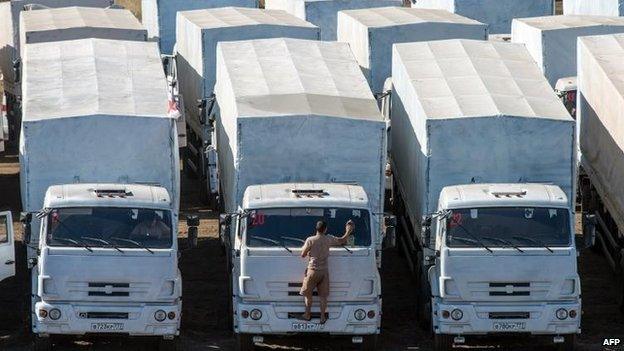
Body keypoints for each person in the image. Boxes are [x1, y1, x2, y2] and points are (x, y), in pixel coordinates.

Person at [299, 219, 355, 323]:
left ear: (316, 228)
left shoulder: (310, 240)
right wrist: (348, 231)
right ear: (325, 229)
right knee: (323, 297)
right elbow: (342, 240)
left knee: (308, 294)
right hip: (324, 272)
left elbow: (302, 255)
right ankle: (322, 317)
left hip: (312, 270)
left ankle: (307, 315)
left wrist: (308, 252)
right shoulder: (328, 239)